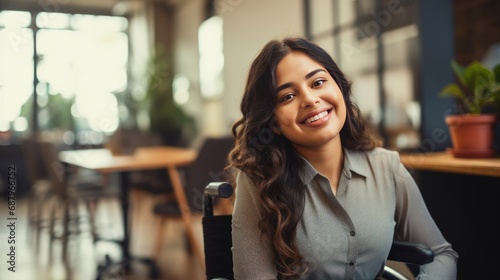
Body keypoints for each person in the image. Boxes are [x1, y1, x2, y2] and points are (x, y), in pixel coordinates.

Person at [227, 37, 458, 279]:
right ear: (273, 123)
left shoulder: (386, 166)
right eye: (287, 96)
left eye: (317, 82)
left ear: (339, 87)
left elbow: (441, 255)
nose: (309, 99)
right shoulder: (257, 182)